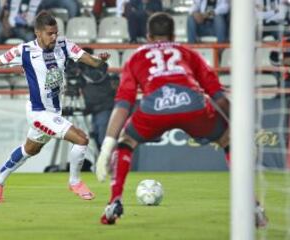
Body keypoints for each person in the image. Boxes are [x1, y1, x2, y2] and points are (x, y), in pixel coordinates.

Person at [95, 12, 268, 227]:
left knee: (127, 141)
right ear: (174, 34)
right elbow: (219, 97)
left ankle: (115, 200)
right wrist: (242, 133)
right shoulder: (187, 52)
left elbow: (123, 105)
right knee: (227, 140)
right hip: (192, 103)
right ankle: (252, 204)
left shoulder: (136, 57)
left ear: (148, 36)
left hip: (154, 107)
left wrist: (106, 147)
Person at [0, 10, 110, 202]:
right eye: (50, 33)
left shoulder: (64, 45)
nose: (54, 37)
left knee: (30, 149)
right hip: (39, 113)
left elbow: (92, 62)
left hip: (54, 111)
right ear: (38, 33)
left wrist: (101, 59)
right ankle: (75, 182)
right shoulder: (24, 51)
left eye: (56, 32)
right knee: (81, 139)